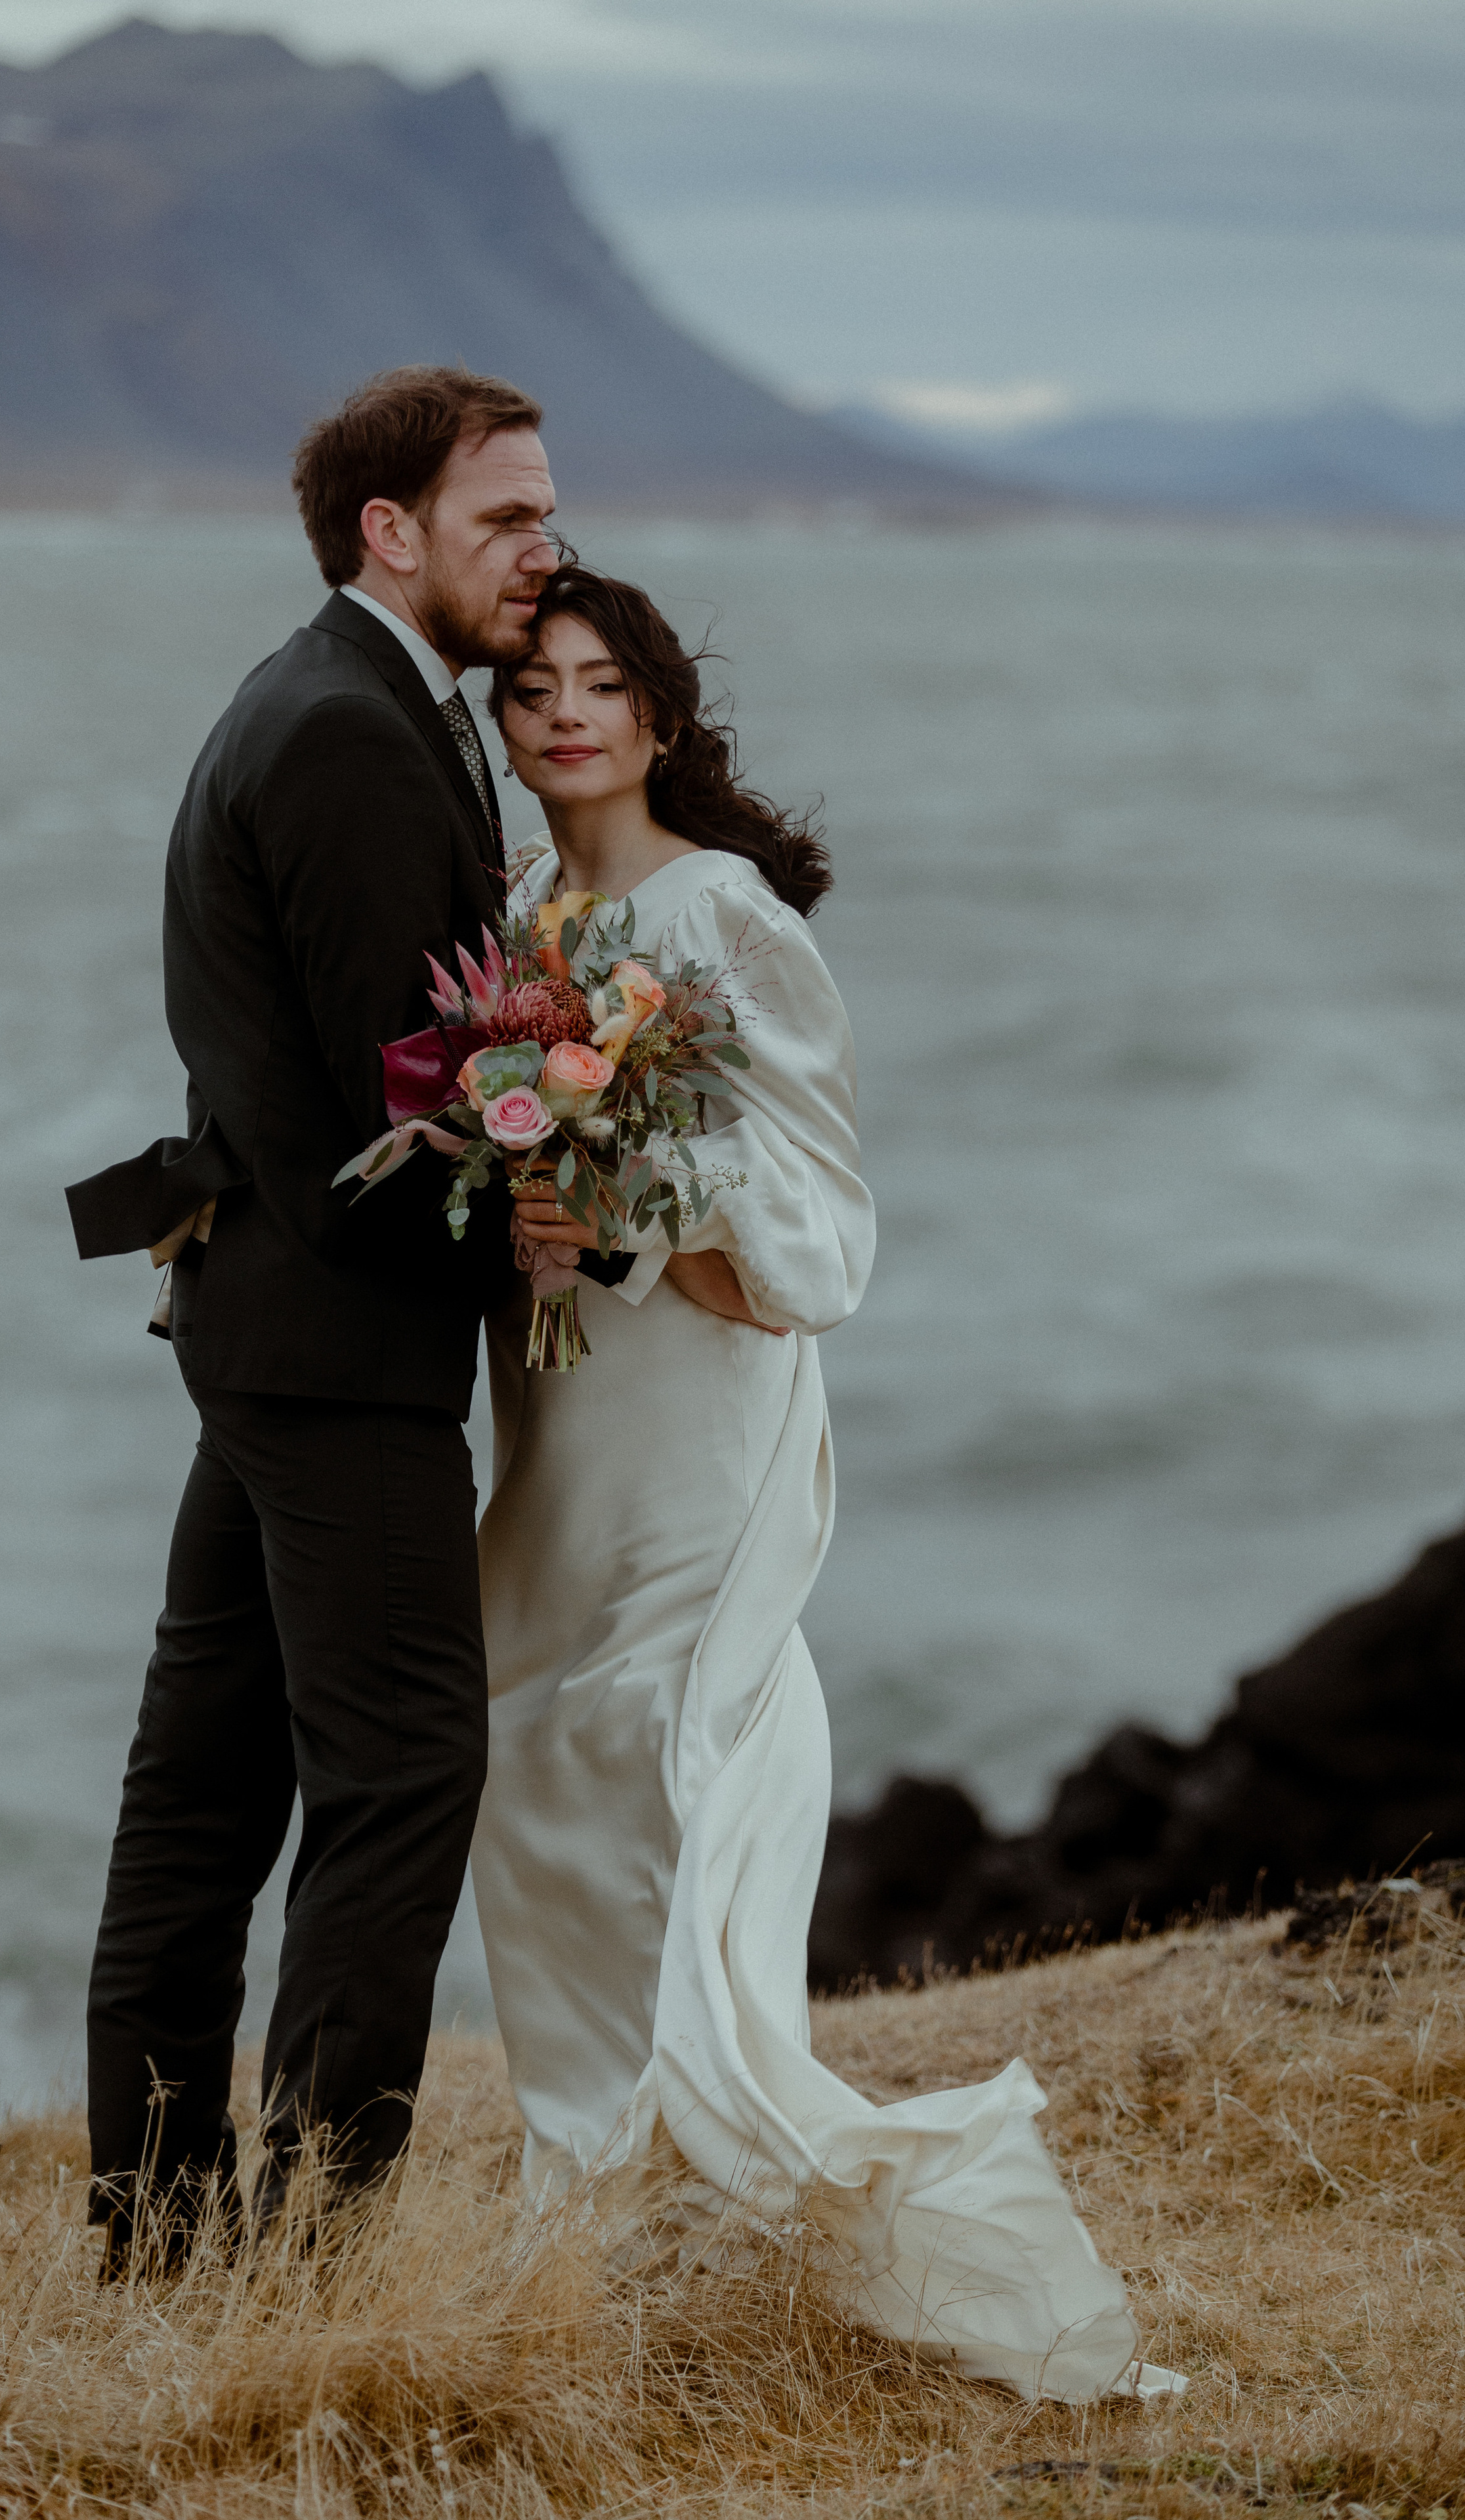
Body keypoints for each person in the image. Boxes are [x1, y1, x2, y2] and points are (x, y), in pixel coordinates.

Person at [470, 567, 1183, 2403]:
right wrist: (523, 1206)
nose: (565, 712)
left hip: (699, 1410)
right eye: (534, 683)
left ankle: (717, 2182)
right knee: (538, 1750)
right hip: (557, 1411)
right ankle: (594, 2200)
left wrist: (618, 1210)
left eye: (602, 683)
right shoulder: (520, 913)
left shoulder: (722, 914)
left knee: (652, 1743)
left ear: (659, 714)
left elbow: (818, 1233)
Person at [64, 365, 558, 2274]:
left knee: (203, 1792)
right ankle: (307, 2263)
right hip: (337, 1355)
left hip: (266, 1338)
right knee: (404, 1769)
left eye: (543, 514)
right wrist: (534, 1220)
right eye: (505, 516)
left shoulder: (349, 701)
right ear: (390, 531)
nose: (543, 548)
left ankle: (159, 2241)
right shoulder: (347, 732)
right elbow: (380, 1119)